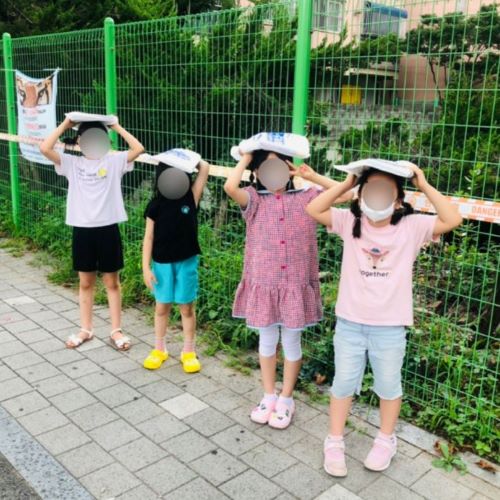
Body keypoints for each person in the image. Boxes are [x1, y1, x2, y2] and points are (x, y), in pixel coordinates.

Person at [306, 163, 462, 476]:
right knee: (343, 383)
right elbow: (314, 208)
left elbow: (453, 219)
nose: (376, 196)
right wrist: (348, 183)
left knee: (388, 385)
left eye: (384, 190)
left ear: (398, 200)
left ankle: (386, 439)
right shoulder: (350, 220)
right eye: (370, 189)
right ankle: (334, 441)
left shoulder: (412, 226)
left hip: (390, 328)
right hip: (350, 323)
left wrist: (423, 183)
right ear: (361, 195)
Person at [224, 136, 352, 429]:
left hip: (295, 284)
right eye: (265, 169)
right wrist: (247, 157)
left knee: (292, 342)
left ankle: (286, 398)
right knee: (267, 340)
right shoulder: (254, 200)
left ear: (288, 169)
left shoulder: (307, 197)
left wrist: (311, 176)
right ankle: (268, 395)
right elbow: (230, 187)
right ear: (257, 174)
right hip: (264, 284)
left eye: (278, 167)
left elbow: (345, 195)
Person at [40, 115, 144, 350]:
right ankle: (86, 329)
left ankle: (116, 330)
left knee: (112, 282)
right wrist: (66, 124)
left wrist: (116, 126)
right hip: (82, 230)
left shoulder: (114, 161)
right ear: (79, 141)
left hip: (108, 229)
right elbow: (45, 148)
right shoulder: (72, 163)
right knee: (85, 282)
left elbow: (138, 148)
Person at [142, 149, 210, 373]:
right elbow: (148, 238)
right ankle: (159, 349)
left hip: (187, 262)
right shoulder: (155, 205)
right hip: (161, 264)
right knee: (162, 307)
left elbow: (205, 167)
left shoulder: (191, 197)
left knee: (187, 308)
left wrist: (187, 158)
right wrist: (145, 268)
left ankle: (188, 351)